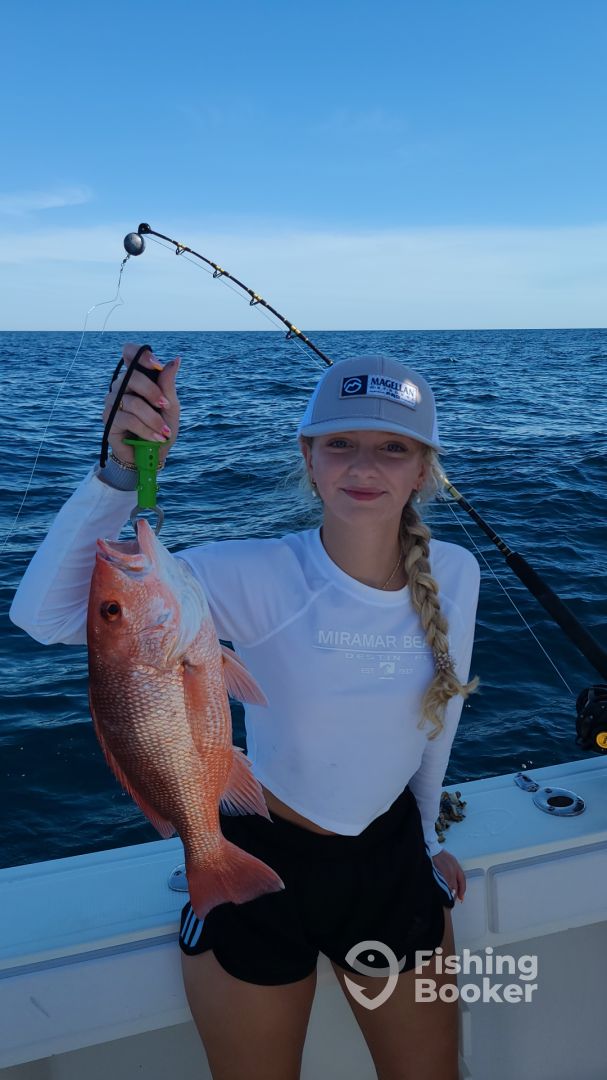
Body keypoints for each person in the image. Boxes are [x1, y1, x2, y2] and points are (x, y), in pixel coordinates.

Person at [10, 345, 481, 1080]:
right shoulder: (249, 572)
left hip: (388, 865)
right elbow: (45, 617)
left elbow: (434, 727)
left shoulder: (456, 572)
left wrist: (422, 839)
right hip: (252, 852)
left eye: (393, 447)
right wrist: (119, 474)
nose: (364, 466)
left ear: (423, 468)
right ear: (309, 458)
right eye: (340, 444)